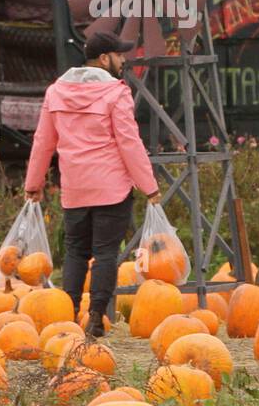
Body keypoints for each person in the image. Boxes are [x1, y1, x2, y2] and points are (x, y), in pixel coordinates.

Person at [24, 31, 161, 338]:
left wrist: (33, 183)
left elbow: (43, 142)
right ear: (104, 59)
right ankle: (96, 316)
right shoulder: (116, 93)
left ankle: (68, 314)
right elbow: (129, 143)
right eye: (120, 55)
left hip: (75, 191)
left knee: (75, 252)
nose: (124, 60)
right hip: (111, 190)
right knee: (105, 253)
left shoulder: (56, 92)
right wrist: (149, 186)